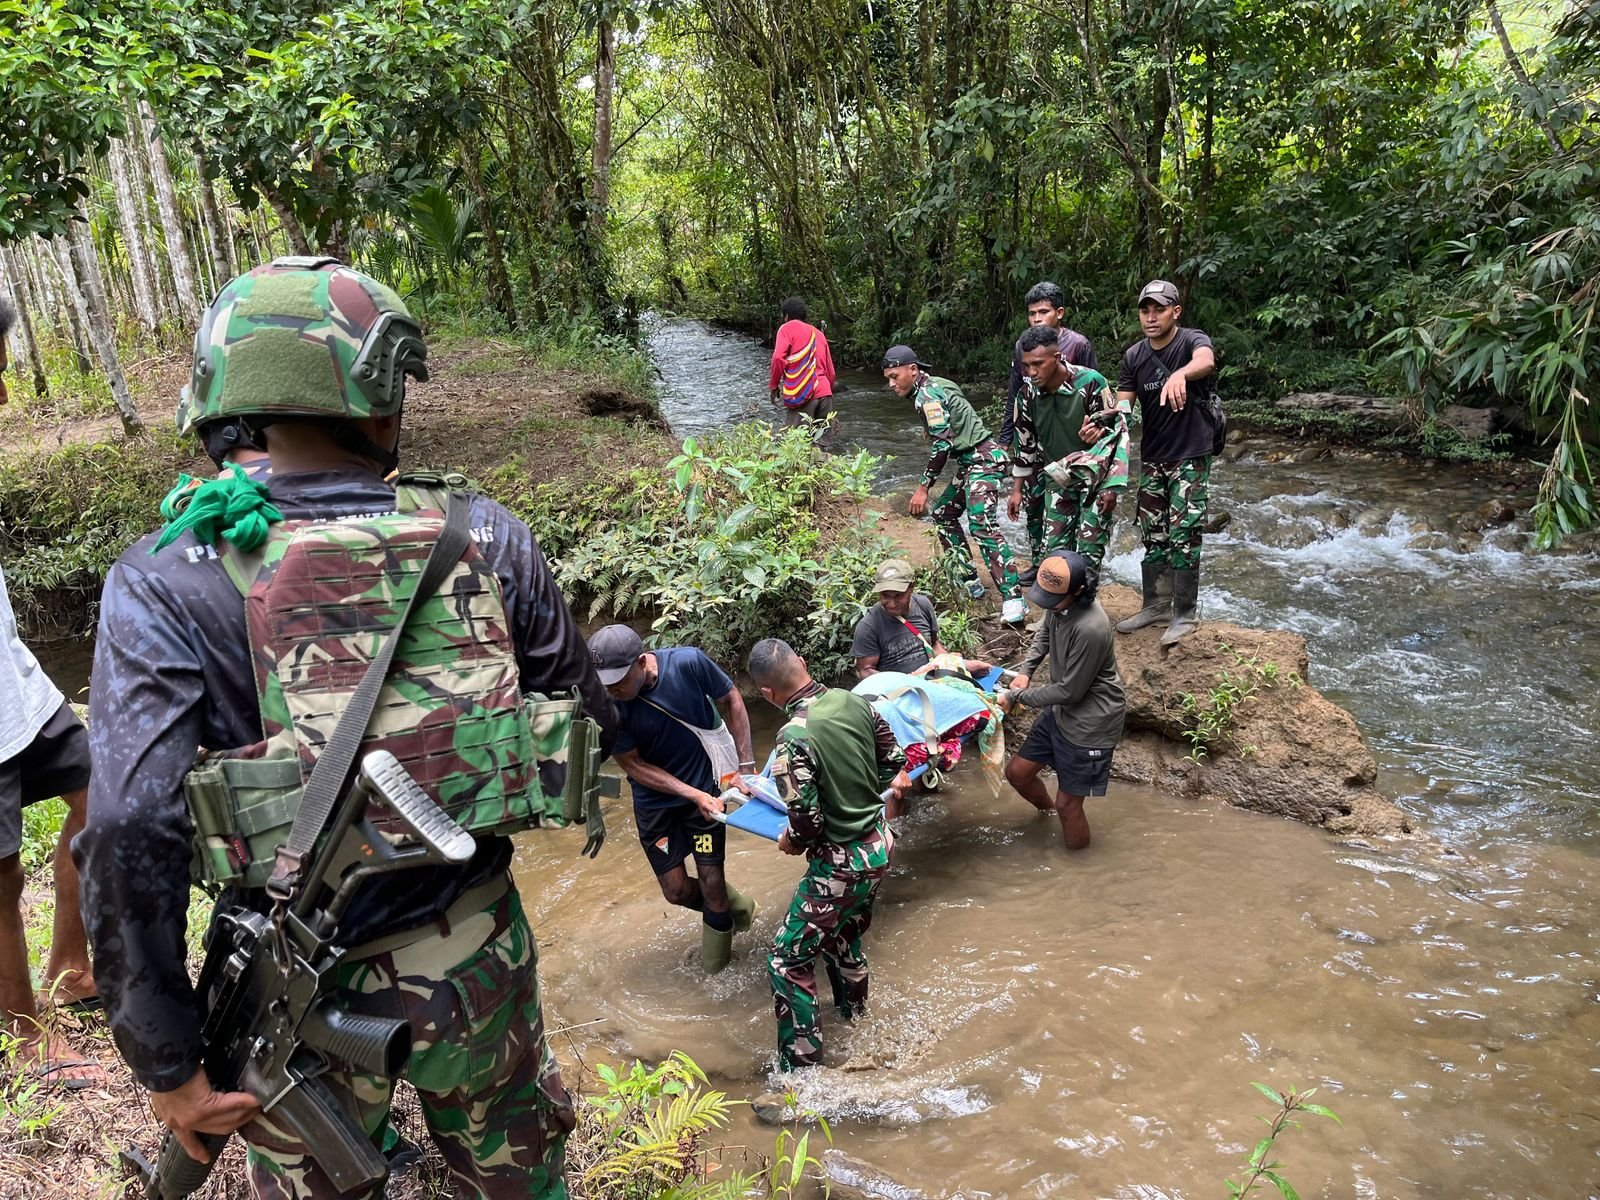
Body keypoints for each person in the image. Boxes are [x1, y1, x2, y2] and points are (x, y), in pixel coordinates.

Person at [74, 257, 617, 1198]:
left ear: (224, 406)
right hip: (475, 948)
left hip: (290, 968)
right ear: (384, 404)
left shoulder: (167, 575)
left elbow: (127, 828)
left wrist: (166, 1059)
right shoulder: (486, 535)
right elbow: (584, 720)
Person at [747, 638, 910, 1072]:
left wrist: (790, 840)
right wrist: (854, 795)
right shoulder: (853, 701)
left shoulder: (792, 737)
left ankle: (801, 1073)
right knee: (842, 939)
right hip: (878, 844)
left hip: (841, 863)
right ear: (802, 662)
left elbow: (807, 822)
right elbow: (893, 761)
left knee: (786, 959)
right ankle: (856, 1024)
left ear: (767, 693)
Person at [589, 624, 758, 974]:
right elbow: (633, 766)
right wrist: (693, 794)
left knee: (712, 884)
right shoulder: (609, 707)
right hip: (656, 804)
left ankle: (716, 973)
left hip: (706, 797)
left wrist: (745, 767)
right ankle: (740, 908)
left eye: (618, 681)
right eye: (605, 683)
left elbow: (732, 699)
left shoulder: (688, 663)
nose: (612, 690)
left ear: (641, 662)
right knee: (676, 892)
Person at [0, 561, 105, 1092]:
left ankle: (71, 973)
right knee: (2, 876)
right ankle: (23, 1034)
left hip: (18, 688)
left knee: (104, 803)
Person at [881, 345, 1025, 625]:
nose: (891, 384)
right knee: (943, 514)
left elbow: (943, 445)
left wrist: (923, 487)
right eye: (888, 378)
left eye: (895, 377)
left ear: (913, 370)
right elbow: (955, 411)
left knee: (981, 524)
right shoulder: (937, 384)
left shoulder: (926, 396)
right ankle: (969, 579)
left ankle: (1013, 598)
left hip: (983, 460)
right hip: (971, 461)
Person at [997, 553, 1125, 852]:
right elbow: (1045, 630)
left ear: (1078, 591)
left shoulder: (1091, 627)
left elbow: (1070, 692)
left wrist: (1015, 697)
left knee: (1068, 805)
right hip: (1060, 710)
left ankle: (1079, 868)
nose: (1048, 605)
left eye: (1052, 601)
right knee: (1017, 773)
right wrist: (1025, 671)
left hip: (1090, 721)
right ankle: (1049, 816)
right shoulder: (1059, 603)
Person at [1115, 279, 1218, 644]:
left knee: (1185, 531)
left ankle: (1185, 614)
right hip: (1154, 455)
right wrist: (1105, 420)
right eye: (1145, 310)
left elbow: (1206, 361)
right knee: (1153, 531)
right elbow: (1123, 406)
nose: (1151, 316)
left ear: (1175, 311)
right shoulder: (1134, 356)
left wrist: (1180, 373)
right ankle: (1156, 604)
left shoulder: (1191, 340)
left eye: (1159, 309)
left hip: (1190, 452)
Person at [1009, 325, 1129, 572]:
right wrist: (1017, 490)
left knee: (1089, 554)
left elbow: (1117, 435)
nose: (1032, 372)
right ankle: (1060, 597)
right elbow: (1024, 446)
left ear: (1056, 357)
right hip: (1058, 478)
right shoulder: (1027, 395)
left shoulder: (1091, 382)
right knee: (1055, 555)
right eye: (1026, 366)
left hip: (1095, 480)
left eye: (1038, 364)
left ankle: (1086, 595)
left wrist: (1111, 487)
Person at [999, 282, 1099, 577]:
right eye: (1032, 313)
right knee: (1036, 504)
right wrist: (1006, 438)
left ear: (1060, 313)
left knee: (1081, 514)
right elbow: (1016, 395)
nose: (1037, 318)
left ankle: (1076, 572)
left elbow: (1096, 400)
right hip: (1040, 439)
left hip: (1077, 446)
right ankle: (1040, 562)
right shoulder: (1023, 347)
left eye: (1043, 312)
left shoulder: (1078, 346)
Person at [851, 558, 947, 679]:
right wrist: (910, 679)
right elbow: (865, 671)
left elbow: (933, 644)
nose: (892, 604)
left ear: (911, 587)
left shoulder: (923, 606)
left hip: (933, 679)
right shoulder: (869, 626)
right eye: (885, 596)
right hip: (897, 688)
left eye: (899, 595)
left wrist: (950, 661)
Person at [769, 296, 838, 447]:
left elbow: (778, 358)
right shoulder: (818, 334)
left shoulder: (786, 328)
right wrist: (826, 391)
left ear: (786, 316)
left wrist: (774, 386)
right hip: (825, 393)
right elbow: (831, 373)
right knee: (821, 445)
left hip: (804, 393)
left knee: (793, 445)